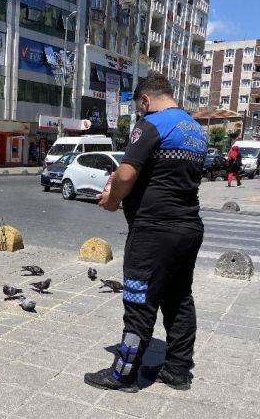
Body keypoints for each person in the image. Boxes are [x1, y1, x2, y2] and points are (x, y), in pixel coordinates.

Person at [84, 74, 207, 392]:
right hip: (188, 228)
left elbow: (126, 174)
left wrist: (112, 200)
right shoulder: (195, 129)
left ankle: (123, 373)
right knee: (179, 298)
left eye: (139, 108)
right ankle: (178, 370)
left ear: (145, 101)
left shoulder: (151, 124)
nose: (140, 113)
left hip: (153, 231)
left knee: (138, 301)